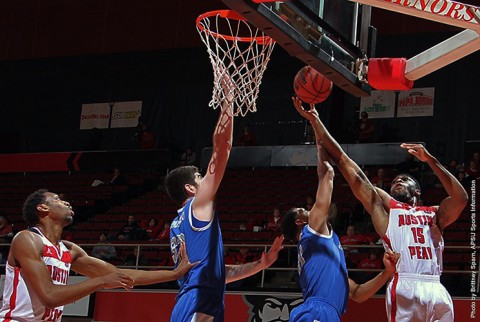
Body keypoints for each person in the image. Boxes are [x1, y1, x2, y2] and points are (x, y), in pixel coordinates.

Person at [293, 96, 468, 322]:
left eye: (404, 179)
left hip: (436, 286)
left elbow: (461, 198)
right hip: (405, 283)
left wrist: (431, 160)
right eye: (395, 180)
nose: (398, 181)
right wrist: (317, 122)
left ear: (417, 191)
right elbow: (349, 166)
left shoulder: (434, 214)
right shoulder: (388, 213)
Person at [165, 72, 284, 322]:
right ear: (189, 188)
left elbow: (221, 273)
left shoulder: (181, 224)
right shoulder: (198, 206)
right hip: (198, 300)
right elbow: (222, 149)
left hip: (201, 298)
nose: (204, 179)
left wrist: (260, 264)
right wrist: (228, 99)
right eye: (199, 176)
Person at [0, 189, 196, 322]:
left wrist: (175, 274)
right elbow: (50, 297)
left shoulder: (69, 250)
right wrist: (101, 281)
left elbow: (121, 275)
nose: (66, 202)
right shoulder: (27, 239)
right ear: (43, 208)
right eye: (57, 199)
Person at [280, 135, 398, 321]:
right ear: (299, 222)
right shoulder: (311, 233)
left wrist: (388, 273)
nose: (310, 209)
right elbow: (326, 175)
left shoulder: (321, 254)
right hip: (317, 311)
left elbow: (358, 294)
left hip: (326, 312)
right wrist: (319, 138)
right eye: (304, 210)